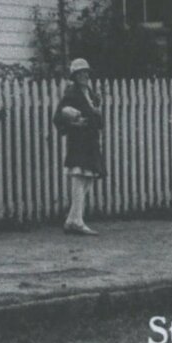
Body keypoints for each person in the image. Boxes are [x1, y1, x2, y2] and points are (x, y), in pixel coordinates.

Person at [54, 57, 106, 235]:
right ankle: (77, 220)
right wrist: (73, 124)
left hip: (90, 140)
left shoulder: (90, 93)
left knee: (89, 178)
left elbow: (97, 119)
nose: (84, 75)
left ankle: (72, 219)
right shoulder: (72, 93)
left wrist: (96, 112)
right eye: (80, 73)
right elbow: (58, 117)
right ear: (74, 76)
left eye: (86, 72)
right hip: (79, 141)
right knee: (79, 177)